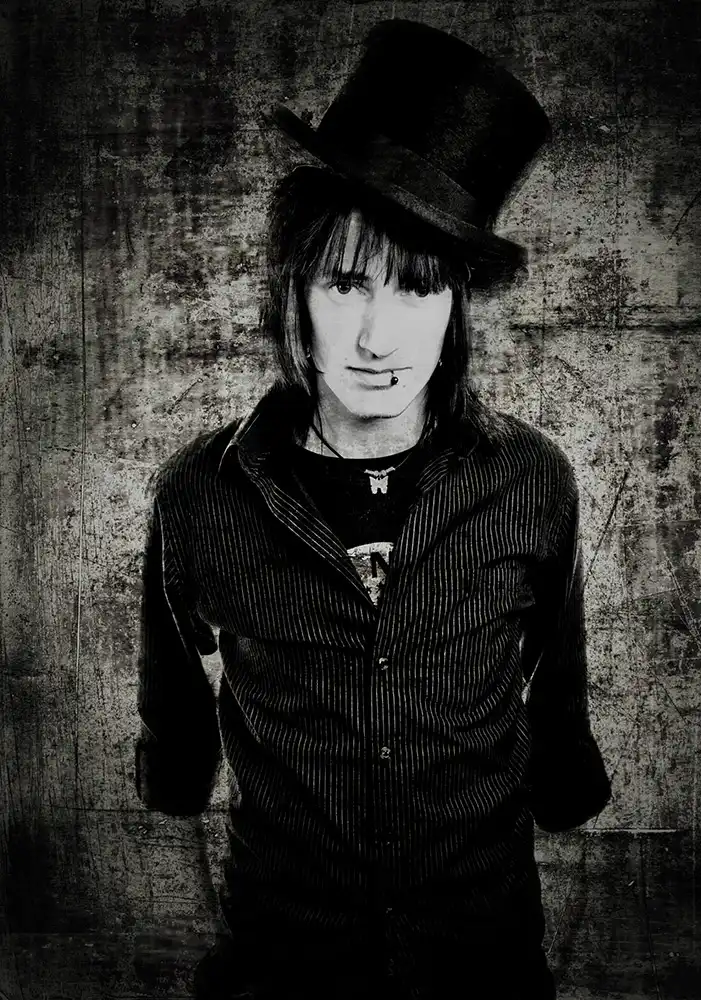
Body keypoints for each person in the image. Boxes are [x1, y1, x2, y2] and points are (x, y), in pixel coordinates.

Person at [135, 19, 611, 1000]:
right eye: (347, 284)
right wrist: (178, 773)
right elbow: (173, 700)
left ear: (456, 307)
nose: (376, 336)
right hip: (283, 961)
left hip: (480, 956)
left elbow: (555, 682)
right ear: (296, 291)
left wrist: (563, 781)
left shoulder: (530, 479)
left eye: (417, 290)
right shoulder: (199, 492)